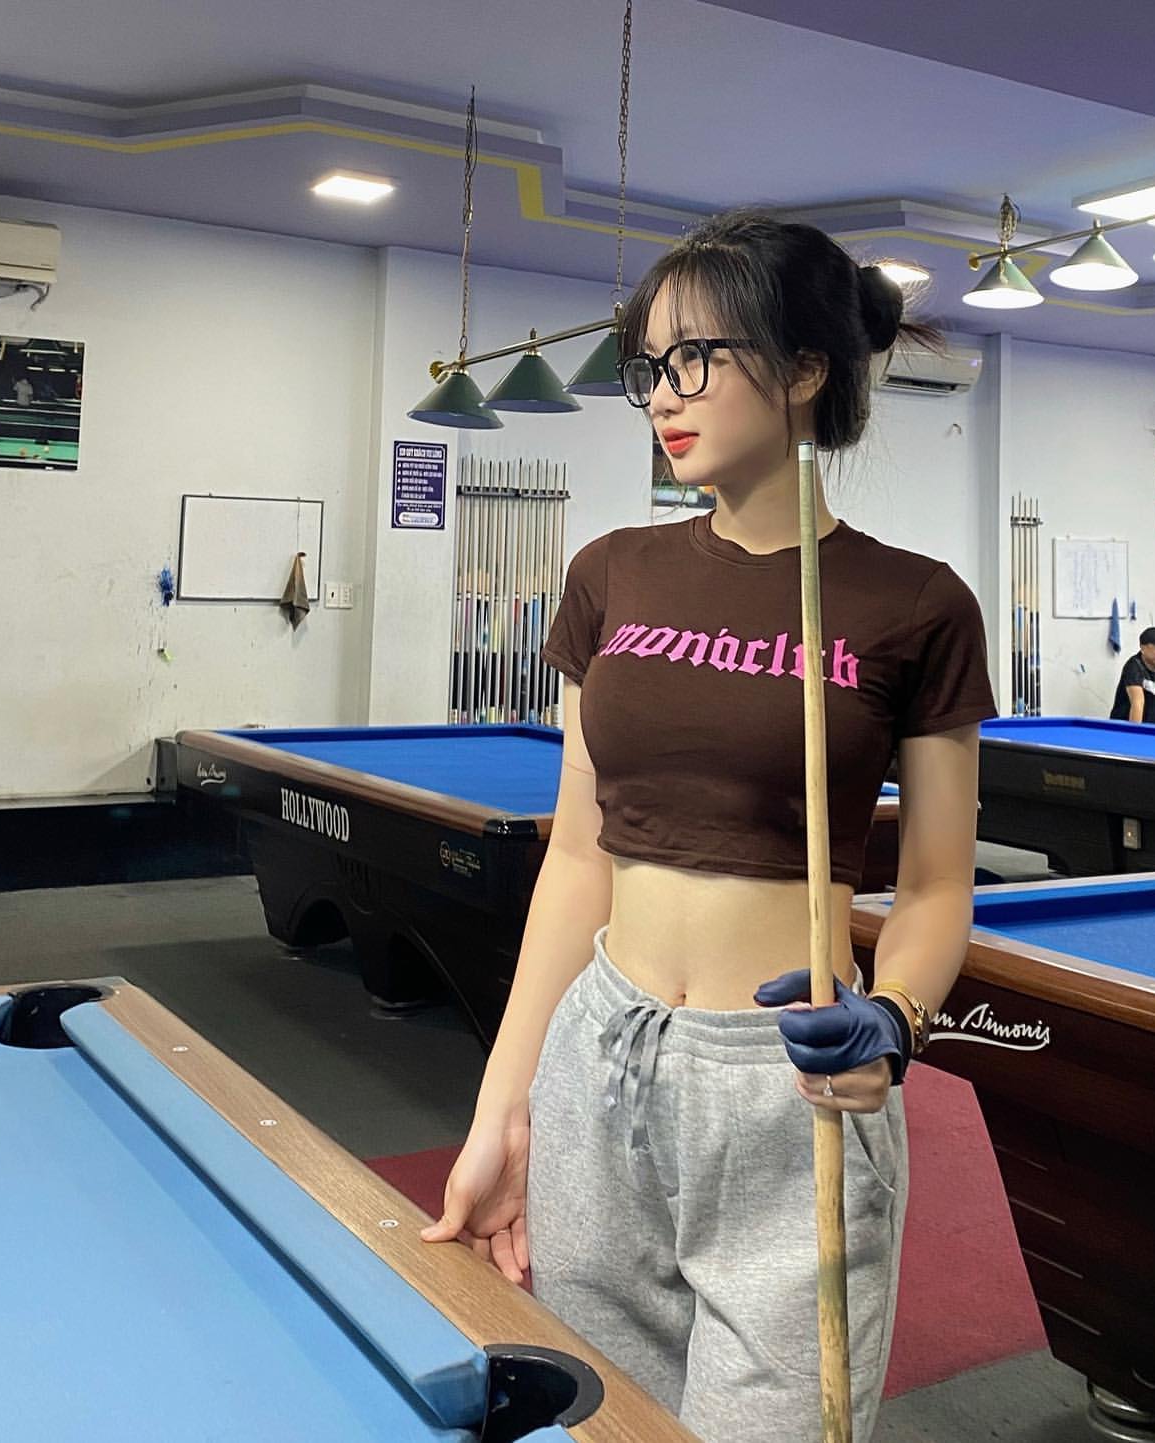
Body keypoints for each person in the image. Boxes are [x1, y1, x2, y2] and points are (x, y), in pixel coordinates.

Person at [421, 210, 997, 1443]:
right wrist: (503, 1108)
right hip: (602, 1048)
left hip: (792, 1084)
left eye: (697, 358)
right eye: (652, 365)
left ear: (804, 369)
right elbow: (579, 858)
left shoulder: (917, 604)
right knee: (603, 1420)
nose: (663, 396)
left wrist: (895, 1020)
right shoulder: (610, 572)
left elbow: (939, 885)